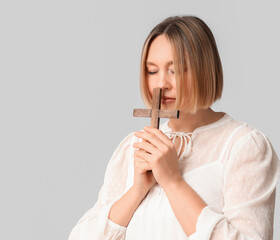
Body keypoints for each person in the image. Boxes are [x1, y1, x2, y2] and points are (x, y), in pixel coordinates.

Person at [68, 15, 280, 240]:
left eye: (175, 70)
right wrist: (137, 190)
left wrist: (173, 181)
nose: (161, 84)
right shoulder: (133, 147)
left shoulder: (242, 147)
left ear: (204, 69)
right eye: (152, 71)